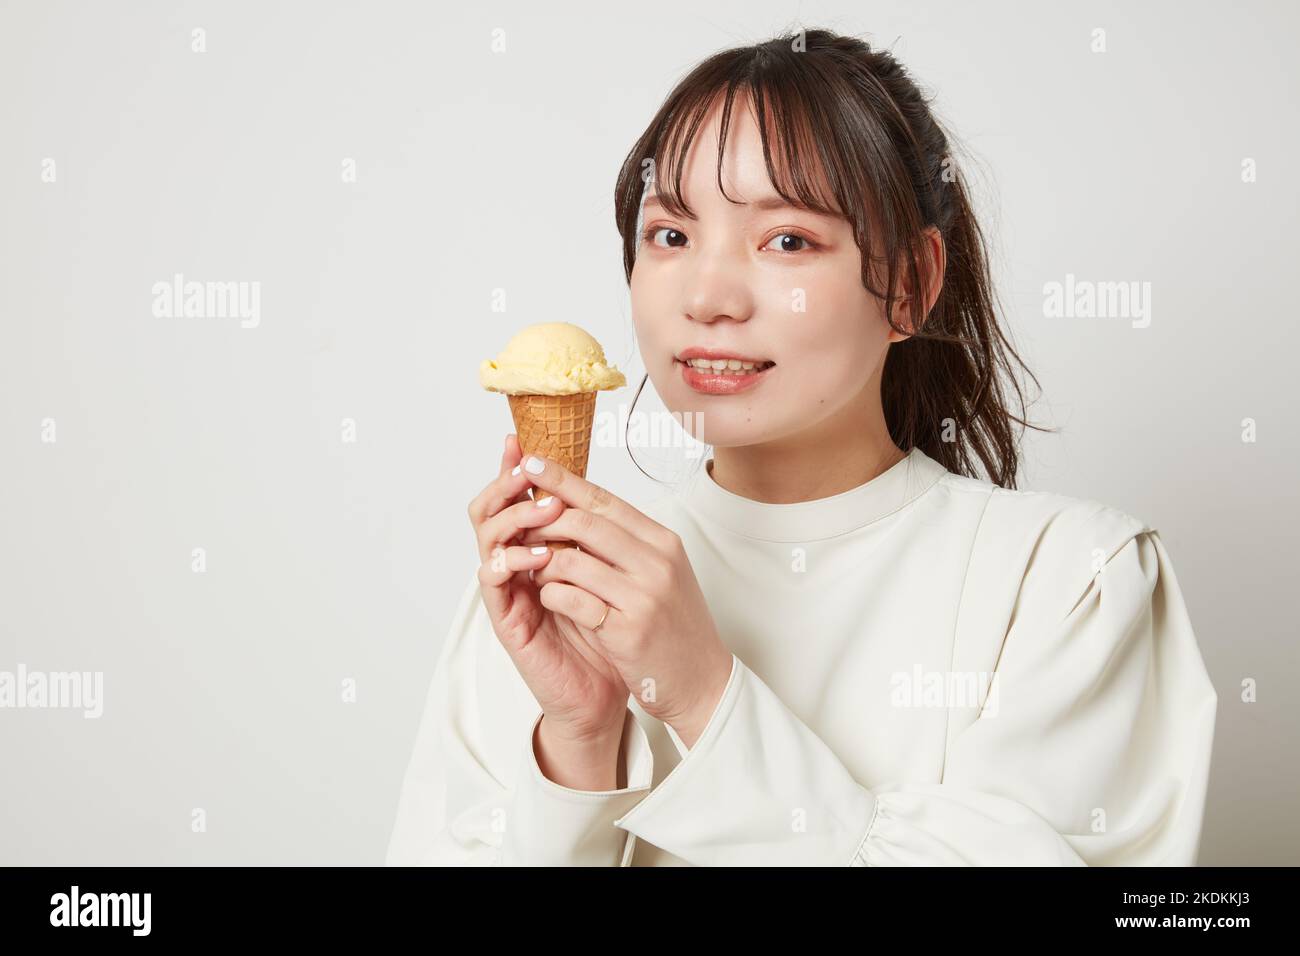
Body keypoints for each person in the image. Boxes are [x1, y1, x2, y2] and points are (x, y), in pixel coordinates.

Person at [386, 29, 1217, 866]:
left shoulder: (1072, 583)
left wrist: (706, 696)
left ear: (913, 283)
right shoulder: (555, 582)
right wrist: (579, 737)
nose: (707, 296)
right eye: (671, 235)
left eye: (787, 240)